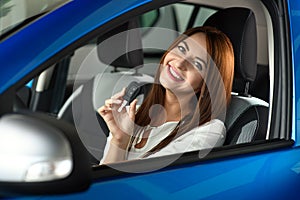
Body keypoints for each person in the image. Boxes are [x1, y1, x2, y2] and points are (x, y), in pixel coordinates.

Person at [98, 26, 234, 164]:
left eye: (197, 64)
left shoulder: (208, 132)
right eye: (181, 49)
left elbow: (145, 181)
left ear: (207, 83)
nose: (180, 63)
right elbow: (102, 179)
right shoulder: (134, 113)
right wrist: (119, 139)